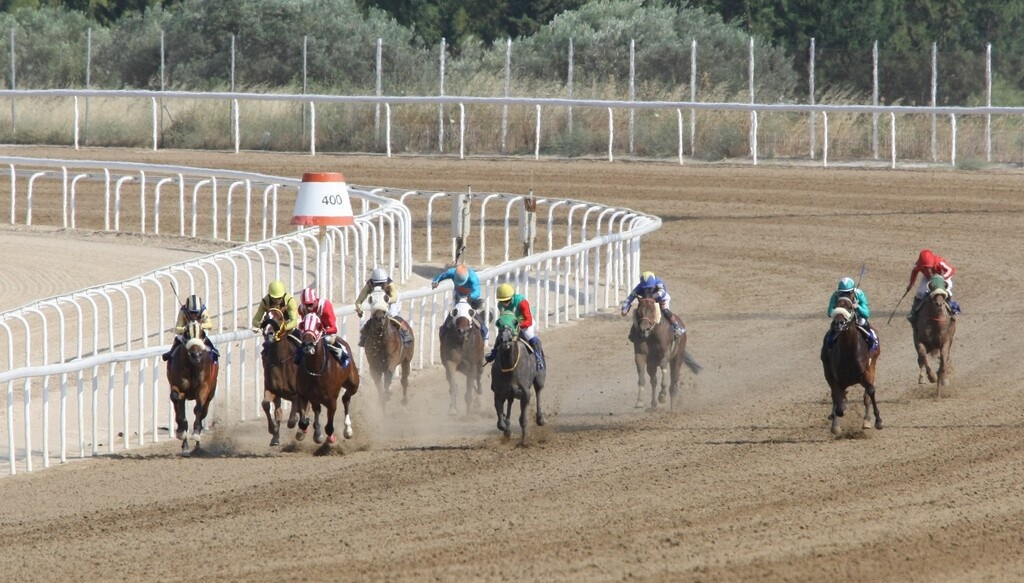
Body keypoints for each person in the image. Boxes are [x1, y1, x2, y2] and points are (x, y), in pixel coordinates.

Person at [484, 283, 545, 370]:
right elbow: (504, 318)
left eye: (506, 300)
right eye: (502, 301)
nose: (504, 303)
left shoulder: (522, 302)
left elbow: (529, 320)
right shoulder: (500, 305)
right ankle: (493, 354)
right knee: (500, 336)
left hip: (524, 322)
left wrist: (520, 325)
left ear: (512, 297)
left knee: (529, 335)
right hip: (511, 324)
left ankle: (539, 359)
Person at [354, 267, 413, 347]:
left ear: (385, 282)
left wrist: (387, 300)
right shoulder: (369, 285)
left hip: (390, 299)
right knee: (374, 317)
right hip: (377, 300)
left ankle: (405, 333)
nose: (379, 286)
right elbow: (359, 300)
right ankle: (364, 336)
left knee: (392, 314)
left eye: (381, 284)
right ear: (373, 282)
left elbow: (394, 298)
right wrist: (359, 309)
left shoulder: (390, 284)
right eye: (377, 284)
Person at [822, 276, 878, 359]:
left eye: (848, 293)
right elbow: (830, 311)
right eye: (842, 293)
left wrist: (858, 307)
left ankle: (873, 341)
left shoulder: (859, 294)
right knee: (833, 328)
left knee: (863, 322)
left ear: (853, 291)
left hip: (856, 316)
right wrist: (836, 311)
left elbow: (866, 313)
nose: (845, 296)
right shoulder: (835, 295)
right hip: (842, 317)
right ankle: (828, 346)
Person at [295, 286, 351, 367]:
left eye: (310, 304)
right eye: (306, 305)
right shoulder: (301, 309)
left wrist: (322, 332)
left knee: (328, 339)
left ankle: (343, 357)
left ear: (315, 301)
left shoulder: (325, 305)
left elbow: (334, 328)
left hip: (327, 332)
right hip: (312, 334)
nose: (308, 307)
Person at [431, 263, 488, 342]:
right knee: (454, 312)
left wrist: (470, 297)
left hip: (470, 297)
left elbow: (477, 292)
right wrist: (435, 281)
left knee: (472, 313)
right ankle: (444, 330)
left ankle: (484, 330)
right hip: (458, 295)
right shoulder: (452, 272)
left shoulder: (473, 277)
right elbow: (441, 276)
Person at [620, 271, 686, 337]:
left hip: (661, 299)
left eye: (649, 288)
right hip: (647, 300)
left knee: (665, 310)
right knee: (639, 312)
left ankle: (675, 327)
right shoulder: (640, 286)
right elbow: (631, 296)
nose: (647, 289)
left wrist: (652, 297)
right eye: (645, 288)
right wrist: (625, 307)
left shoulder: (659, 282)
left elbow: (662, 293)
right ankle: (633, 332)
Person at [162, 294, 219, 362]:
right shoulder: (183, 311)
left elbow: (210, 325)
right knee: (177, 338)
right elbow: (177, 328)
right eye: (191, 313)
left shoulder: (203, 310)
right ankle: (171, 353)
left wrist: (200, 325)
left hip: (199, 334)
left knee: (207, 341)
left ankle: (213, 352)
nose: (194, 315)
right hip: (186, 335)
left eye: (196, 313)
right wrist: (185, 328)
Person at [906, 249, 958, 323]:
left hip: (942, 277)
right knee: (920, 292)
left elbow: (951, 270)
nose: (929, 269)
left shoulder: (939, 261)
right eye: (926, 268)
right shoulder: (918, 264)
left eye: (930, 267)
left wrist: (942, 278)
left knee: (947, 292)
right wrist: (911, 285)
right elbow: (914, 272)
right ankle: (914, 312)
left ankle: (953, 311)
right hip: (928, 278)